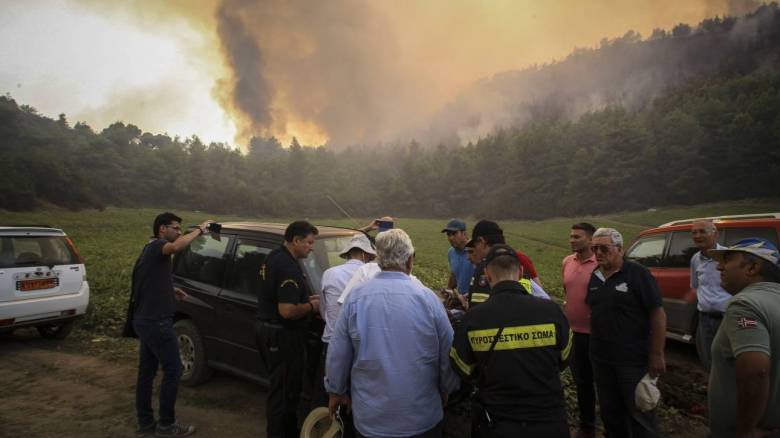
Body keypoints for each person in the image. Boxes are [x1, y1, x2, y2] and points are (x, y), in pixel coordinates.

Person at [326, 229, 459, 438]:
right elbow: (449, 350)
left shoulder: (355, 299)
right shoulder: (429, 299)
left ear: (379, 259)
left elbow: (338, 352)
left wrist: (336, 390)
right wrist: (446, 389)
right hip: (423, 419)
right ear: (410, 260)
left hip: (371, 421)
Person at [450, 244, 571, 437]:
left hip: (497, 422)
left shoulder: (473, 319)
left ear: (487, 275)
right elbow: (565, 357)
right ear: (521, 272)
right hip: (549, 420)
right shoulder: (551, 311)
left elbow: (462, 366)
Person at [132, 212, 213, 437]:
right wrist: (200, 230)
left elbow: (149, 279)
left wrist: (171, 290)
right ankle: (167, 425)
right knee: (174, 369)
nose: (178, 232)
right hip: (156, 322)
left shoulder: (151, 250)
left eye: (180, 229)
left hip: (146, 320)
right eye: (175, 228)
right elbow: (176, 247)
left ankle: (146, 423)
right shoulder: (159, 246)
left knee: (147, 372)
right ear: (162, 230)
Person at [586, 227, 666, 438]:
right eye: (595, 249)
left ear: (619, 249)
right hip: (602, 360)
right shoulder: (595, 276)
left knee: (640, 413)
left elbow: (657, 314)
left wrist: (657, 354)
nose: (598, 253)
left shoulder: (638, 274)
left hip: (632, 360)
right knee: (610, 413)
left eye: (604, 248)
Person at [708, 238, 780, 437]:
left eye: (728, 260)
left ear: (752, 267)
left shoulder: (745, 304)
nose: (719, 267)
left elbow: (755, 371)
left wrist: (745, 431)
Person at [255, 221, 321, 438]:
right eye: (309, 243)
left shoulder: (275, 256)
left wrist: (303, 298)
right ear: (296, 240)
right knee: (283, 394)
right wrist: (311, 305)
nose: (311, 247)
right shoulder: (289, 267)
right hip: (281, 336)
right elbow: (287, 310)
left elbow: (280, 295)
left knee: (283, 390)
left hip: (268, 330)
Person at [312, 234, 376, 408]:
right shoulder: (373, 277)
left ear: (347, 254)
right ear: (367, 255)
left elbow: (325, 311)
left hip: (331, 342)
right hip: (360, 345)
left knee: (329, 394)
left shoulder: (329, 274)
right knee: (356, 396)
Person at [561, 222, 598, 438]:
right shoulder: (567, 262)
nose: (572, 240)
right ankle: (587, 427)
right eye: (571, 236)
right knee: (582, 382)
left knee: (603, 381)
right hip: (574, 333)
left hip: (597, 334)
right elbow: (568, 291)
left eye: (577, 237)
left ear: (591, 240)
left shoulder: (600, 264)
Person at [467, 220, 548, 308]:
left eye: (475, 245)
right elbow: (540, 291)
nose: (475, 250)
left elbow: (478, 310)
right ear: (520, 271)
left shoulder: (485, 266)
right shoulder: (519, 258)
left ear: (482, 241)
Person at [689, 219, 730, 369]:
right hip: (704, 319)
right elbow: (695, 286)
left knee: (728, 361)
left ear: (715, 234)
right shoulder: (695, 259)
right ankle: (714, 391)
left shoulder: (728, 256)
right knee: (708, 361)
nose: (697, 235)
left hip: (727, 319)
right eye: (694, 233)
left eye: (702, 231)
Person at [442, 218, 475, 294]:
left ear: (464, 233)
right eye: (448, 234)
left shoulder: (476, 250)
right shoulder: (451, 252)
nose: (451, 238)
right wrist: (448, 290)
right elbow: (454, 274)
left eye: (454, 234)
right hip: (460, 299)